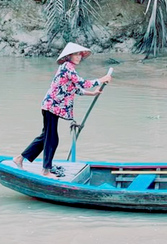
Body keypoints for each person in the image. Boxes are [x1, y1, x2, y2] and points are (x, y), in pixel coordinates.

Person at [13, 42, 112, 177]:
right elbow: (83, 83)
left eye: (80, 54)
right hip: (51, 107)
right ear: (69, 56)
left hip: (52, 107)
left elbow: (76, 88)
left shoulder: (69, 69)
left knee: (45, 137)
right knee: (52, 139)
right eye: (76, 54)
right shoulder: (67, 68)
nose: (79, 57)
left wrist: (92, 93)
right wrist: (102, 79)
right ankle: (45, 170)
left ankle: (20, 158)